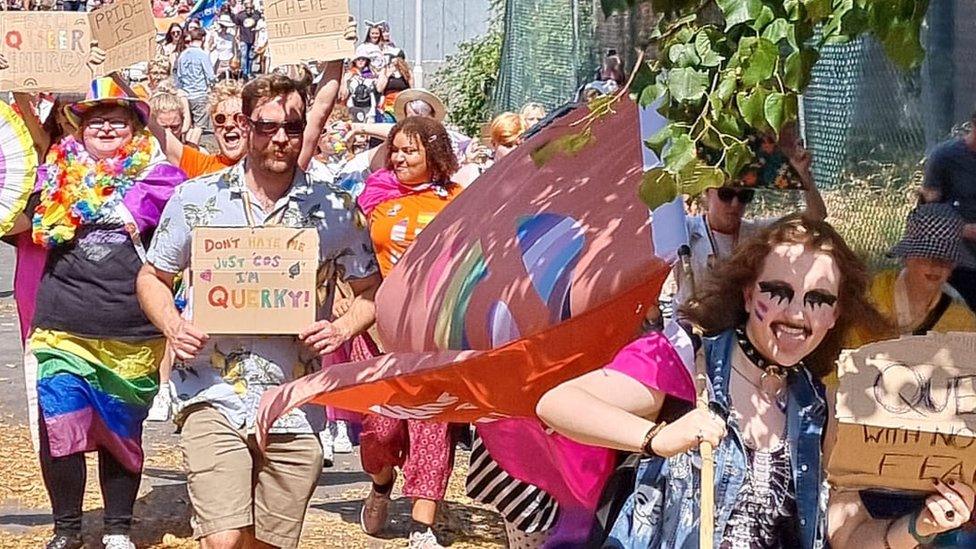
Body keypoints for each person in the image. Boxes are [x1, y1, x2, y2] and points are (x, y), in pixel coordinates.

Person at [536, 214, 886, 547]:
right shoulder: (687, 362)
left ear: (836, 314)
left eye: (818, 300)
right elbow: (558, 403)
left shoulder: (818, 407)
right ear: (749, 295)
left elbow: (847, 528)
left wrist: (919, 527)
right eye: (779, 291)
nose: (796, 314)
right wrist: (658, 438)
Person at [137, 73, 380, 549]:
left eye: (291, 126)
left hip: (293, 399)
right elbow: (152, 276)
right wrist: (172, 324)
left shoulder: (334, 209)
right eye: (268, 127)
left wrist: (340, 328)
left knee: (268, 543)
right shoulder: (196, 199)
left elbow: (371, 290)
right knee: (224, 539)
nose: (281, 139)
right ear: (247, 127)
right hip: (211, 391)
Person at [28, 77, 186, 549]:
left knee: (121, 434)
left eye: (118, 117)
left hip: (131, 332)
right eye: (94, 117)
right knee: (60, 426)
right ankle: (67, 530)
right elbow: (27, 225)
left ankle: (118, 527)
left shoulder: (160, 179)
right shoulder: (53, 173)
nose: (105, 124)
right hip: (62, 327)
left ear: (138, 126)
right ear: (78, 127)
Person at [826, 203, 976, 548]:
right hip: (861, 472)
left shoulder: (963, 322)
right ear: (908, 255)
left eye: (946, 257)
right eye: (928, 253)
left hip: (929, 481)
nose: (938, 265)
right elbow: (837, 383)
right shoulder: (868, 301)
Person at [356, 117, 463, 549]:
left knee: (433, 426)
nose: (398, 157)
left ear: (433, 157)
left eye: (410, 151)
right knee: (382, 430)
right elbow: (352, 254)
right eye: (395, 149)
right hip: (383, 332)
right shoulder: (373, 197)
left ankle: (422, 525)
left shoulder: (459, 200)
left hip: (439, 333)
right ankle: (381, 484)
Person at [673, 141, 827, 312]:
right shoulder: (684, 230)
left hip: (736, 324)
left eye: (745, 196)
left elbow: (816, 217)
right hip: (689, 326)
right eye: (726, 194)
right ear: (707, 193)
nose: (735, 204)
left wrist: (804, 175)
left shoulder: (755, 232)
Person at [847, 203, 976, 348]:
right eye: (925, 255)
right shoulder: (872, 294)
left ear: (954, 264)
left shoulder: (962, 319)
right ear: (906, 257)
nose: (935, 265)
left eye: (945, 258)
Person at [920, 111, 976, 311]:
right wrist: (962, 229)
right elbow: (926, 217)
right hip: (957, 261)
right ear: (973, 125)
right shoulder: (945, 158)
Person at [455, 111, 526, 186]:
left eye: (520, 145)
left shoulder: (532, 174)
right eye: (508, 145)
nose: (515, 150)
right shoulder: (474, 175)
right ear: (494, 144)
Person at [174, 27, 215, 132]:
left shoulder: (182, 55)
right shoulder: (202, 54)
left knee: (188, 125)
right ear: (203, 39)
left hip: (186, 94)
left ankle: (188, 145)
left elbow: (178, 75)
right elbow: (210, 76)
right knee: (199, 127)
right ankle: (193, 146)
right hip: (200, 94)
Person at [376, 54, 412, 122]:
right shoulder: (385, 71)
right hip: (388, 104)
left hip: (402, 102)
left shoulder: (407, 72)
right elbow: (379, 89)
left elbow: (411, 89)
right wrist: (387, 75)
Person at [232, 0, 261, 79]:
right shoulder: (240, 16)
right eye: (247, 8)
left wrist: (256, 40)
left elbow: (259, 27)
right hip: (243, 38)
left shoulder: (256, 16)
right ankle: (244, 72)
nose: (249, 10)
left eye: (250, 8)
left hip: (252, 38)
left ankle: (249, 71)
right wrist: (236, 35)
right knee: (244, 55)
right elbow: (237, 26)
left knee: (251, 56)